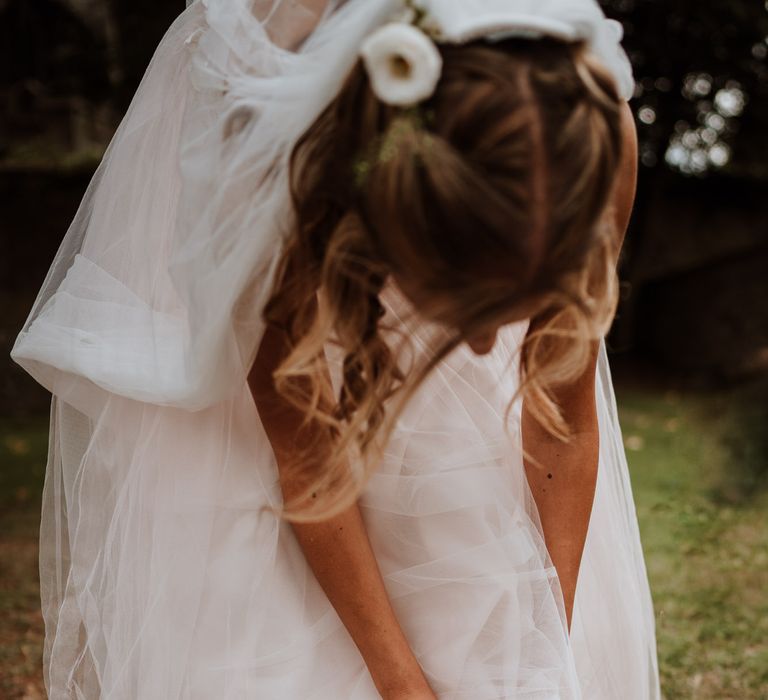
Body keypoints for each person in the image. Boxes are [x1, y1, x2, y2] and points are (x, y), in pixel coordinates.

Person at [11, 0, 660, 697]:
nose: (482, 346)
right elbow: (303, 444)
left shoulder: (596, 132)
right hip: (272, 373)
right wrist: (401, 682)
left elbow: (561, 392)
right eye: (463, 301)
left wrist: (549, 650)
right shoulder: (275, 157)